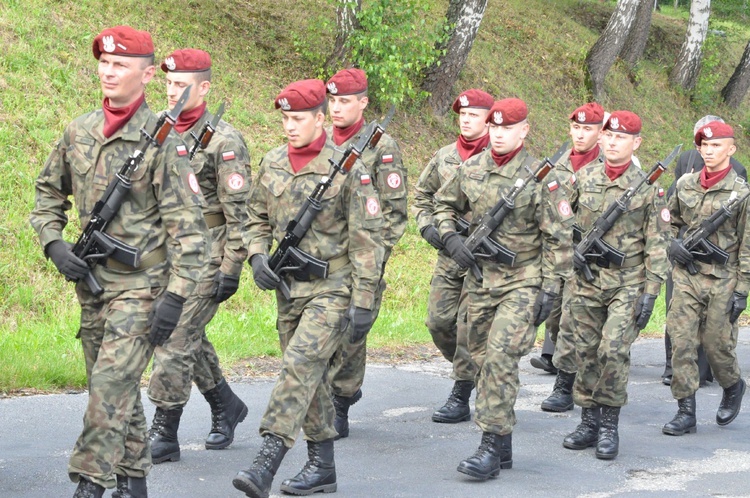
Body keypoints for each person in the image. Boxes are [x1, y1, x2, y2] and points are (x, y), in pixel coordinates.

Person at [29, 26, 208, 498]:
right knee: (117, 395)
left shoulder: (165, 144)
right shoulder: (80, 130)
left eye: (121, 65)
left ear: (147, 75)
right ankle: (134, 483)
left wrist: (175, 298)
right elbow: (47, 194)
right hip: (92, 285)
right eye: (104, 64)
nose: (109, 72)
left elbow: (191, 232)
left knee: (108, 390)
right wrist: (55, 245)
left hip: (143, 287)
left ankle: (89, 485)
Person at [232, 80, 384, 498]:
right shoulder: (273, 161)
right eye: (284, 118)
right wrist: (258, 256)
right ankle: (322, 466)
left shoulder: (350, 168)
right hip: (289, 289)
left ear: (320, 118)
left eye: (298, 118)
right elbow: (254, 217)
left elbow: (368, 239)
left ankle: (268, 456)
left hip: (334, 287)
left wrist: (365, 300)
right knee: (309, 378)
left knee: (299, 364)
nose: (289, 126)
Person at [433, 98, 574, 480]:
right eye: (493, 128)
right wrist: (450, 239)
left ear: (523, 131)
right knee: (478, 360)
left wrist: (551, 290)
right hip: (480, 281)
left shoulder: (543, 176)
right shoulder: (472, 167)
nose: (497, 134)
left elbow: (559, 239)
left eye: (506, 128)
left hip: (523, 282)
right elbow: (441, 206)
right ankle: (505, 440)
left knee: (498, 360)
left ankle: (490, 446)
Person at [146, 49, 251, 463]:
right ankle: (226, 404)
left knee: (173, 335)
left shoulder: (225, 140)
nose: (172, 92)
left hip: (209, 252)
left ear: (204, 87)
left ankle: (165, 429)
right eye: (168, 83)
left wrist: (232, 265)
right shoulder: (157, 128)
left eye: (181, 85)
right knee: (186, 332)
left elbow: (239, 212)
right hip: (165, 250)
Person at [563, 110, 670, 460]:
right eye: (607, 136)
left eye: (621, 137)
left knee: (613, 350)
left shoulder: (648, 189)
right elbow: (560, 221)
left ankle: (609, 424)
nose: (611, 142)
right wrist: (570, 251)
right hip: (586, 279)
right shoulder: (584, 177)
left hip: (627, 283)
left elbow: (658, 244)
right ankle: (588, 420)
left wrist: (650, 295)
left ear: (636, 143)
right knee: (586, 350)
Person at [325, 68, 408, 439]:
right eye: (332, 100)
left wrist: (375, 258)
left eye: (345, 101)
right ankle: (324, 395)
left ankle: (340, 401)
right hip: (323, 254)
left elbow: (394, 212)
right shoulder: (320, 137)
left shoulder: (381, 146)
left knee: (351, 331)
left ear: (363, 103)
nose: (336, 108)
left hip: (363, 256)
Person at [412, 89, 493, 423]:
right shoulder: (445, 155)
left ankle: (460, 392)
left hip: (483, 258)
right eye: (463, 113)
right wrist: (429, 229)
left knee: (467, 326)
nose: (466, 119)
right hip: (449, 250)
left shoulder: (498, 157)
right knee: (438, 322)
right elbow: (421, 196)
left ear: (489, 119)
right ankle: (472, 367)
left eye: (474, 114)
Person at [662, 121, 748, 436]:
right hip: (687, 274)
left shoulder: (741, 193)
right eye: (704, 146)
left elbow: (748, 244)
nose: (709, 151)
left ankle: (732, 384)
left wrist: (743, 290)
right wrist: (671, 244)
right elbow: (666, 222)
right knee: (682, 343)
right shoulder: (685, 184)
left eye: (715, 145)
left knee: (716, 345)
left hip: (724, 277)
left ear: (731, 149)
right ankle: (685, 411)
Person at [535, 102, 605, 413]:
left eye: (587, 128)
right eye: (576, 127)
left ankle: (565, 386)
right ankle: (571, 369)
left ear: (601, 132)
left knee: (572, 321)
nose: (580, 134)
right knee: (552, 318)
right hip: (554, 256)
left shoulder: (613, 165)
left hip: (589, 260)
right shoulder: (557, 164)